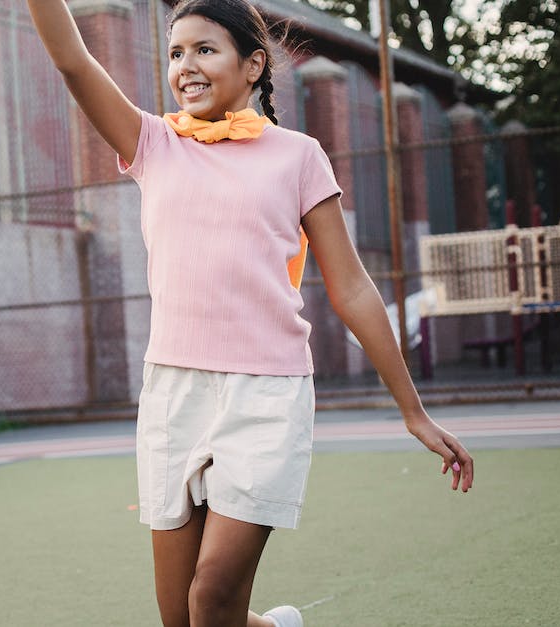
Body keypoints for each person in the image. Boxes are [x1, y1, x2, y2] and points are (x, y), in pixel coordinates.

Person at [24, 2, 475, 626]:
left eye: (205, 50)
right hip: (173, 393)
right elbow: (72, 60)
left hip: (266, 394)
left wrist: (412, 411)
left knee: (211, 600)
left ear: (253, 64)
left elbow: (352, 288)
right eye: (176, 53)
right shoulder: (152, 142)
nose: (186, 66)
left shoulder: (299, 156)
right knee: (181, 619)